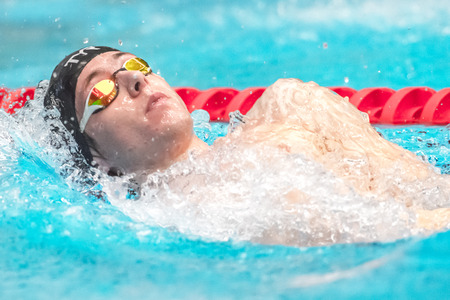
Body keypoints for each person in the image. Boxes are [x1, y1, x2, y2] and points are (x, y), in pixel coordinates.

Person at [43, 46, 449, 244]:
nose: (136, 81)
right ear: (97, 159)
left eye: (134, 65)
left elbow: (429, 191)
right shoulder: (187, 215)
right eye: (101, 91)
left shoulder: (290, 106)